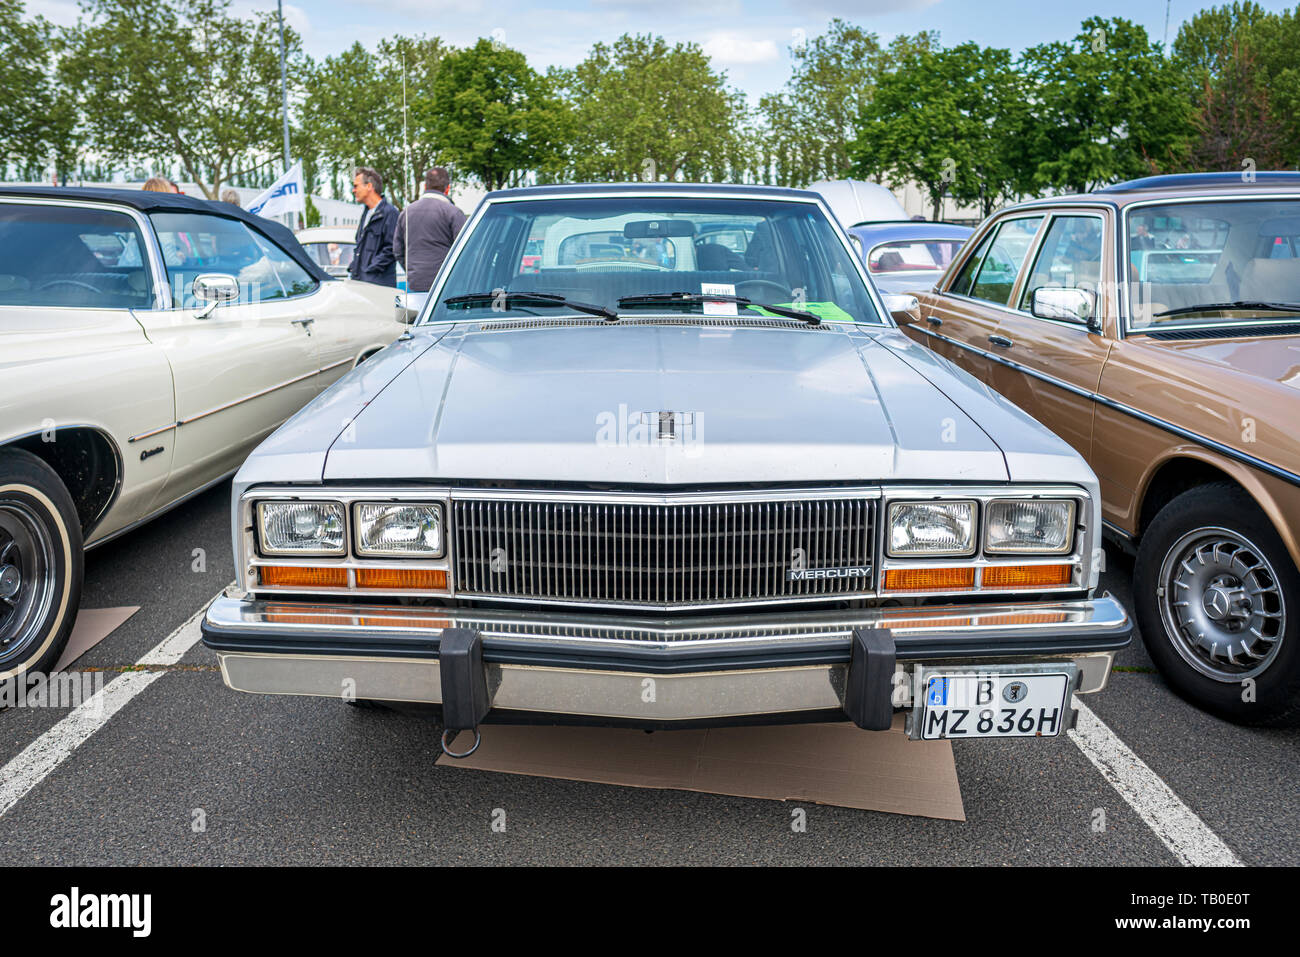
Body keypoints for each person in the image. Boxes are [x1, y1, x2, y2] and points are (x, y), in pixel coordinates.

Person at [393, 167, 467, 292]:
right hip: (445, 287)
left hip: (414, 284)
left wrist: (412, 270)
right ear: (447, 188)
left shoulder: (405, 213)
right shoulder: (454, 213)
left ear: (425, 187)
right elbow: (466, 251)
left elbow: (397, 250)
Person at [348, 166, 398, 287]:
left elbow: (392, 249)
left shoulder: (390, 213)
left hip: (378, 287)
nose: (353, 190)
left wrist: (369, 270)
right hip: (362, 284)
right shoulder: (366, 213)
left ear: (369, 186)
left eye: (356, 186)